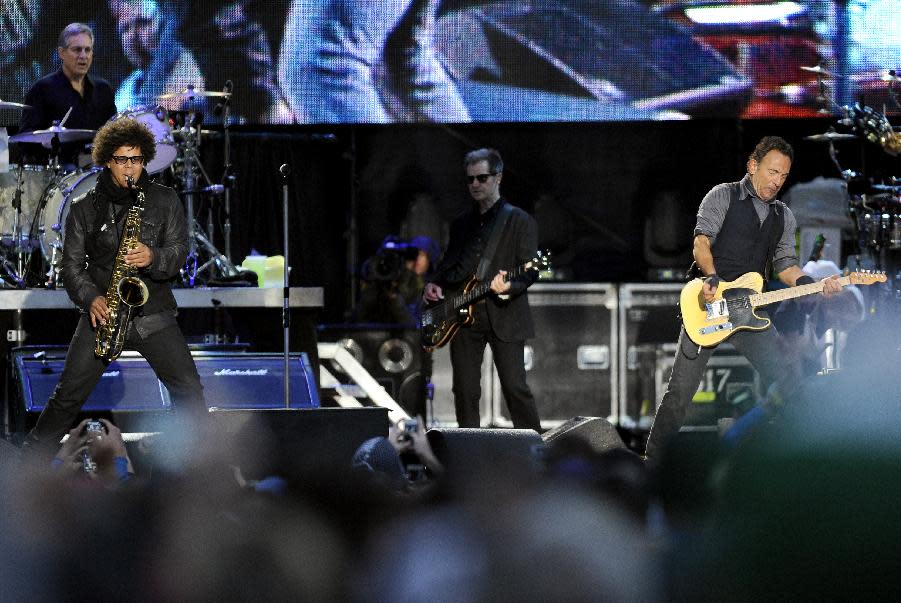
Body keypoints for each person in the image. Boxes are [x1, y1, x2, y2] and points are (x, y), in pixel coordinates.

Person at [644, 136, 842, 461]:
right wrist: (710, 277)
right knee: (680, 392)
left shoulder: (783, 216)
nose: (777, 181)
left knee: (788, 382)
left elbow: (785, 266)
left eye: (783, 175)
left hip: (749, 310)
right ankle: (651, 464)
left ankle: (806, 456)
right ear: (753, 165)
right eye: (772, 171)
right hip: (709, 303)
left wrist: (814, 283)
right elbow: (700, 243)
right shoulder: (722, 196)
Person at [23, 117, 205, 453]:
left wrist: (153, 256)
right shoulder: (83, 207)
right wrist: (91, 298)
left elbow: (179, 252)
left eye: (136, 160)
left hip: (153, 314)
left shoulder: (164, 200)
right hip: (104, 314)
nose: (129, 168)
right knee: (66, 398)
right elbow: (71, 266)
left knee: (190, 393)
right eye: (122, 160)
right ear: (108, 160)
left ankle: (201, 474)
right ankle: (27, 468)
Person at [423, 148, 541, 430]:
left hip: (505, 315)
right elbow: (449, 263)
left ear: (498, 178)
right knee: (464, 390)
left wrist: (508, 286)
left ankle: (538, 455)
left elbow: (532, 269)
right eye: (470, 179)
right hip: (462, 317)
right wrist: (434, 283)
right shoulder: (461, 223)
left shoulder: (519, 221)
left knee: (515, 388)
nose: (475, 184)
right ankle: (469, 451)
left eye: (482, 178)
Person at [19, 22, 117, 165]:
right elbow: (25, 140)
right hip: (59, 174)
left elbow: (114, 132)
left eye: (88, 50)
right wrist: (44, 142)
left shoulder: (103, 89)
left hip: (98, 170)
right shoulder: (42, 89)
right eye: (77, 50)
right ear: (62, 53)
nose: (83, 56)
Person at [108, 0, 203, 113]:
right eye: (125, 28)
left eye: (142, 22)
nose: (132, 35)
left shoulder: (186, 68)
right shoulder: (126, 89)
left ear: (163, 24)